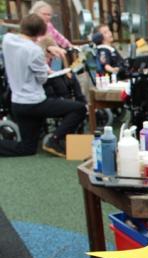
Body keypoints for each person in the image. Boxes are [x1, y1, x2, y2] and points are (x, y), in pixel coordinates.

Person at [0, 14, 86, 157]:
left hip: (17, 103)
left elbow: (16, 38)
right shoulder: (35, 51)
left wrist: (46, 50)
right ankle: (54, 140)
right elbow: (42, 79)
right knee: (78, 109)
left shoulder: (8, 41)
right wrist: (45, 54)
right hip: (35, 103)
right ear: (40, 33)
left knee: (26, 148)